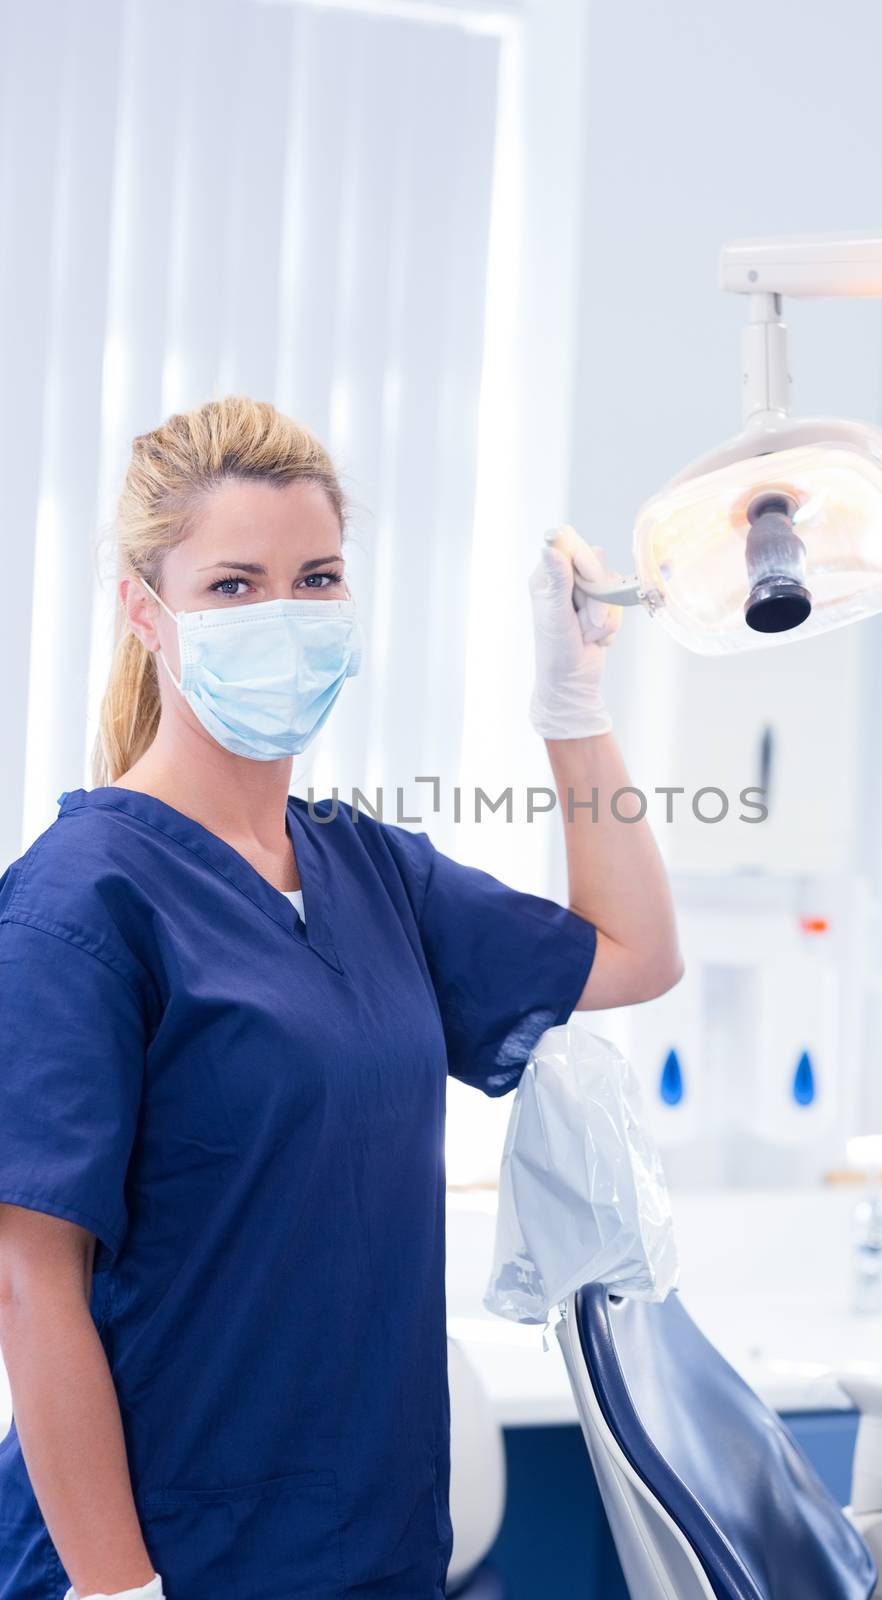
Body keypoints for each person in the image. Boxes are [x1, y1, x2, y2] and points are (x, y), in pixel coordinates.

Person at [0, 396, 683, 1600]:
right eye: (233, 586)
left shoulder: (368, 869)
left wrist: (571, 713)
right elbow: (28, 1277)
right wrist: (118, 1593)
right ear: (144, 610)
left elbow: (633, 952)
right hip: (173, 1558)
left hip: (372, 1546)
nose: (285, 616)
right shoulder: (79, 901)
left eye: (316, 578)